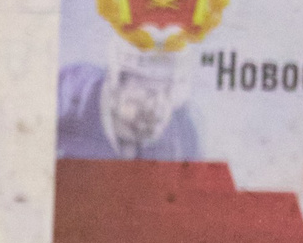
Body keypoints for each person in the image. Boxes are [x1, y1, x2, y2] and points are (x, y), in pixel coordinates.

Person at [54, 43, 203, 162]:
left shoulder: (182, 136)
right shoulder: (64, 98)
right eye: (150, 93)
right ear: (115, 85)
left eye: (169, 94)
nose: (159, 109)